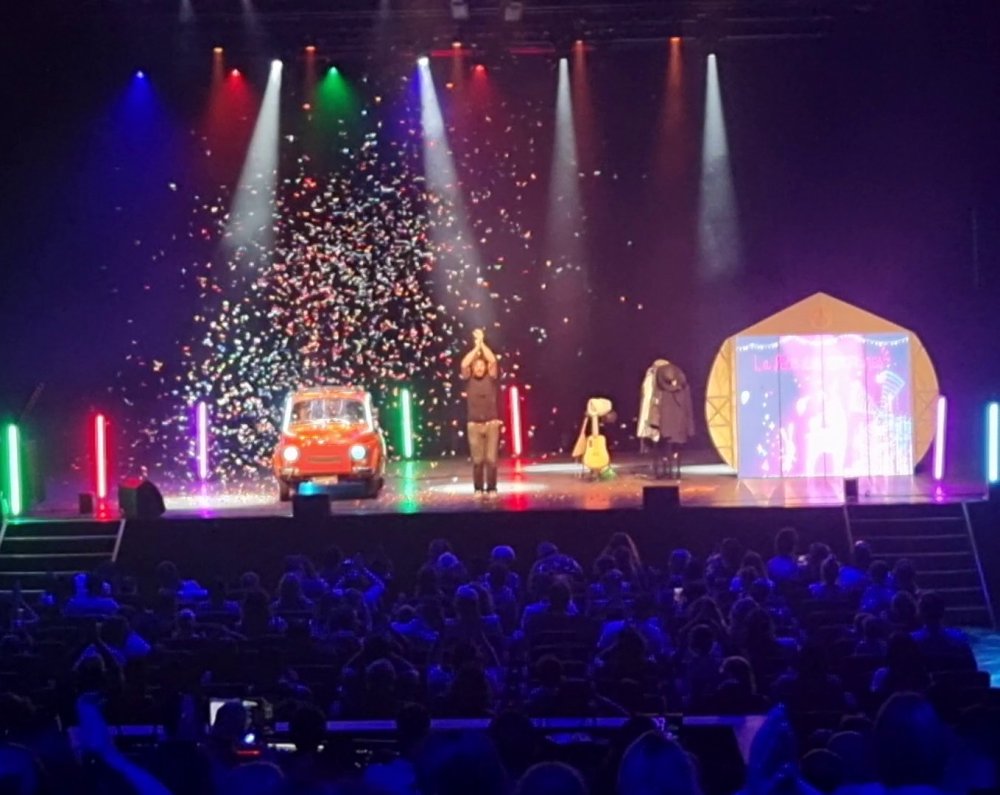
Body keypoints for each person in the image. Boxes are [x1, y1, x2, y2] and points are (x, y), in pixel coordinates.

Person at [460, 328, 501, 496]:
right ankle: (478, 488)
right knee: (477, 461)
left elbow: (492, 360)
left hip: (491, 424)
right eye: (476, 366)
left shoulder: (490, 378)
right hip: (474, 425)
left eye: (481, 365)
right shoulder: (468, 379)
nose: (479, 368)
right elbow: (464, 364)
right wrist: (476, 348)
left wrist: (482, 343)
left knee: (491, 460)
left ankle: (492, 488)